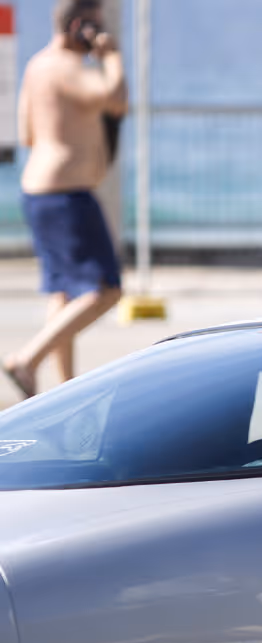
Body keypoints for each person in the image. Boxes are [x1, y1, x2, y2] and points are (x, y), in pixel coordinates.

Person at [3, 0, 127, 400]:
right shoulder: (68, 68)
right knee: (105, 289)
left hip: (39, 191)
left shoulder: (37, 66)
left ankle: (65, 387)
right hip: (66, 194)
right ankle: (26, 360)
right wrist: (111, 56)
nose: (101, 35)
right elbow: (116, 99)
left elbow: (26, 133)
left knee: (63, 293)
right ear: (79, 26)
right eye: (97, 26)